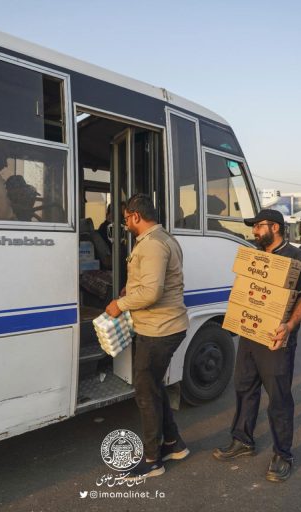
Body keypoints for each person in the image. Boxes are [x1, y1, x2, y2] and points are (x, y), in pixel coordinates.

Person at [213, 208, 301, 483]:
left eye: (258, 227)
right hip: (249, 336)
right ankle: (242, 440)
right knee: (244, 387)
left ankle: (283, 454)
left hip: (276, 340)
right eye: (255, 227)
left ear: (275, 227)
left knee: (279, 397)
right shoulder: (256, 258)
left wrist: (289, 326)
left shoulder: (297, 256)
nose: (254, 232)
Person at [105, 193, 190, 479]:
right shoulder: (164, 238)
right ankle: (173, 444)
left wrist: (121, 304)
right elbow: (154, 282)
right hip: (165, 326)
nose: (125, 223)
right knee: (153, 387)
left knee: (145, 392)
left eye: (126, 218)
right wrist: (132, 290)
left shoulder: (152, 245)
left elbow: (152, 293)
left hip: (158, 330)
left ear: (136, 216)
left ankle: (153, 459)